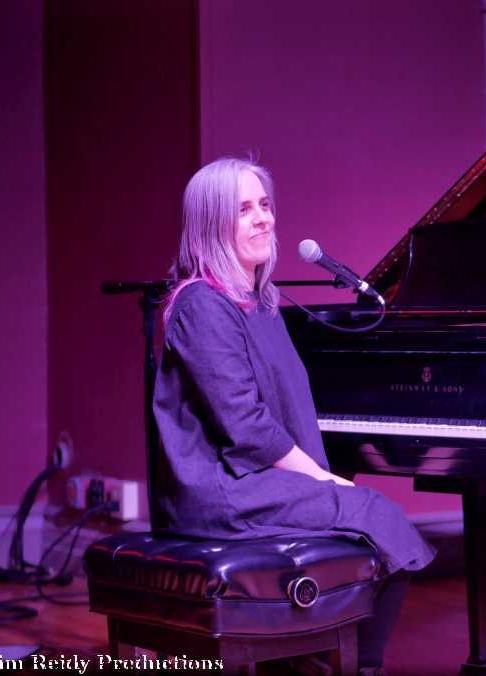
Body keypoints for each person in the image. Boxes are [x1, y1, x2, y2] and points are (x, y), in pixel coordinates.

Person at [152, 157, 435, 675]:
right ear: (211, 224)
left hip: (255, 481)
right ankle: (344, 666)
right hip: (222, 491)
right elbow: (245, 425)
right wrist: (324, 479)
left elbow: (288, 406)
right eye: (243, 209)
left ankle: (317, 660)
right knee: (379, 517)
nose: (263, 218)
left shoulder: (259, 302)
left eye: (264, 204)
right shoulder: (202, 305)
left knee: (372, 519)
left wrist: (323, 479)